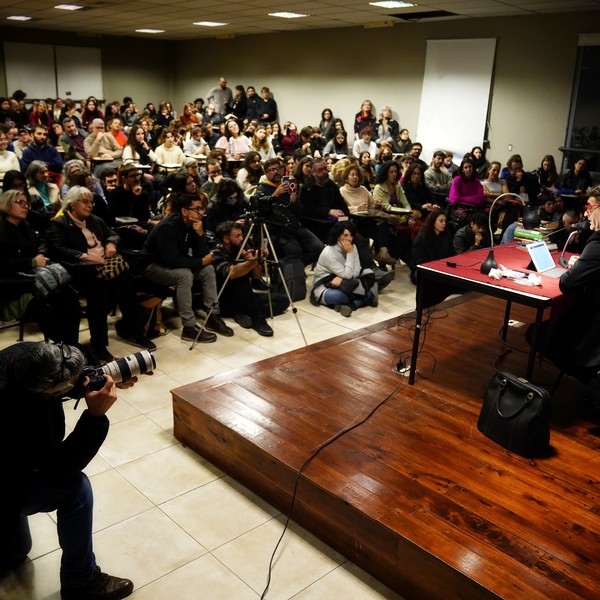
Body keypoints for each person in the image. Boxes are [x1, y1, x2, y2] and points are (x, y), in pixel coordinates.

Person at [0, 341, 136, 599]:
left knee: (17, 553)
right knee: (76, 490)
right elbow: (57, 469)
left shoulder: (25, 357)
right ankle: (80, 583)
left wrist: (102, 375)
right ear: (44, 396)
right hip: (6, 478)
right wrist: (95, 417)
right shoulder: (14, 416)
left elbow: (60, 377)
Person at [46, 186, 156, 361]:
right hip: (82, 271)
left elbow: (112, 233)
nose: (90, 205)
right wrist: (86, 256)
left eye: (91, 202)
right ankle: (99, 344)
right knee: (99, 295)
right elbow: (57, 248)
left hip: (105, 266)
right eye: (85, 201)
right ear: (73, 204)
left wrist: (111, 243)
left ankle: (133, 331)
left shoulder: (94, 220)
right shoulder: (60, 224)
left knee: (126, 285)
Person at [142, 193, 233, 342]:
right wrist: (201, 262)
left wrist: (200, 235)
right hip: (152, 266)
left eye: (202, 209)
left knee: (208, 270)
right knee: (185, 275)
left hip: (172, 264)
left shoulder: (193, 225)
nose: (201, 213)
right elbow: (172, 260)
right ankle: (189, 327)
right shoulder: (167, 227)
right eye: (197, 209)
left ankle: (212, 316)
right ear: (184, 211)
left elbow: (202, 255)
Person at [0, 190, 80, 345]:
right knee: (44, 312)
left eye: (27, 203)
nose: (25, 207)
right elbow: (2, 264)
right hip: (10, 287)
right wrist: (33, 262)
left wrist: (41, 255)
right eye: (20, 202)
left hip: (31, 281)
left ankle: (71, 348)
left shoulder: (24, 226)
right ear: (7, 204)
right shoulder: (1, 229)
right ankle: (71, 350)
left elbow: (38, 246)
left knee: (69, 298)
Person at [211, 220, 289, 336]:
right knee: (241, 279)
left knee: (283, 300)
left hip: (246, 297)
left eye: (241, 234)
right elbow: (232, 274)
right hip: (225, 300)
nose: (242, 238)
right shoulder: (216, 253)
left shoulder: (240, 248)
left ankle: (242, 313)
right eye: (237, 236)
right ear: (226, 239)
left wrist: (255, 260)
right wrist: (253, 261)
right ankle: (257, 319)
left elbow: (257, 276)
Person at [252, 157, 324, 266]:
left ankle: (295, 268)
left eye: (278, 168)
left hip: (294, 226)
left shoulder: (289, 184)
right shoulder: (262, 189)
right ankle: (289, 270)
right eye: (272, 170)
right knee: (295, 250)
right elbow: (259, 211)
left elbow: (299, 214)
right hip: (276, 229)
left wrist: (294, 200)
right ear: (266, 173)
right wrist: (275, 194)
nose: (276, 172)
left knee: (319, 248)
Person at [311, 221, 378, 317]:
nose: (349, 239)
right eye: (345, 235)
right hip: (327, 286)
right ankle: (366, 298)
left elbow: (356, 271)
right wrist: (350, 254)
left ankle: (352, 304)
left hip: (346, 282)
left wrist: (341, 277)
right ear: (338, 236)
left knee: (369, 273)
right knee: (338, 296)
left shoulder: (352, 247)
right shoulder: (329, 253)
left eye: (351, 235)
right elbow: (349, 275)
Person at [339, 163, 395, 266]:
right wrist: (356, 208)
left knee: (383, 225)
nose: (355, 177)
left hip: (367, 220)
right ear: (346, 177)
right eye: (352, 175)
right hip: (354, 223)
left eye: (357, 175)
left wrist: (377, 204)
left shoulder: (363, 189)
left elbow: (371, 204)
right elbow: (341, 210)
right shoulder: (342, 191)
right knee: (374, 234)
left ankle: (383, 253)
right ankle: (376, 265)